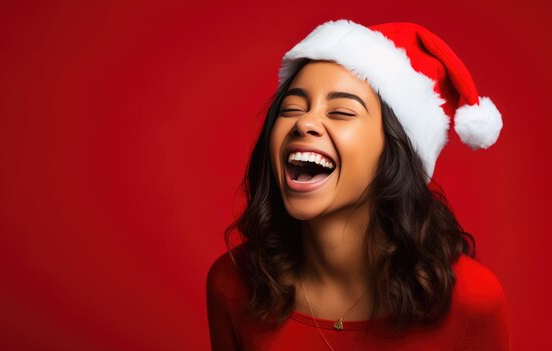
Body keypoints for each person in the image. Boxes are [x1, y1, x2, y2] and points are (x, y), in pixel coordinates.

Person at [207, 19, 509, 350]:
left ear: (394, 150)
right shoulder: (232, 284)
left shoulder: (473, 300)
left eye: (341, 112)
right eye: (291, 108)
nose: (304, 122)